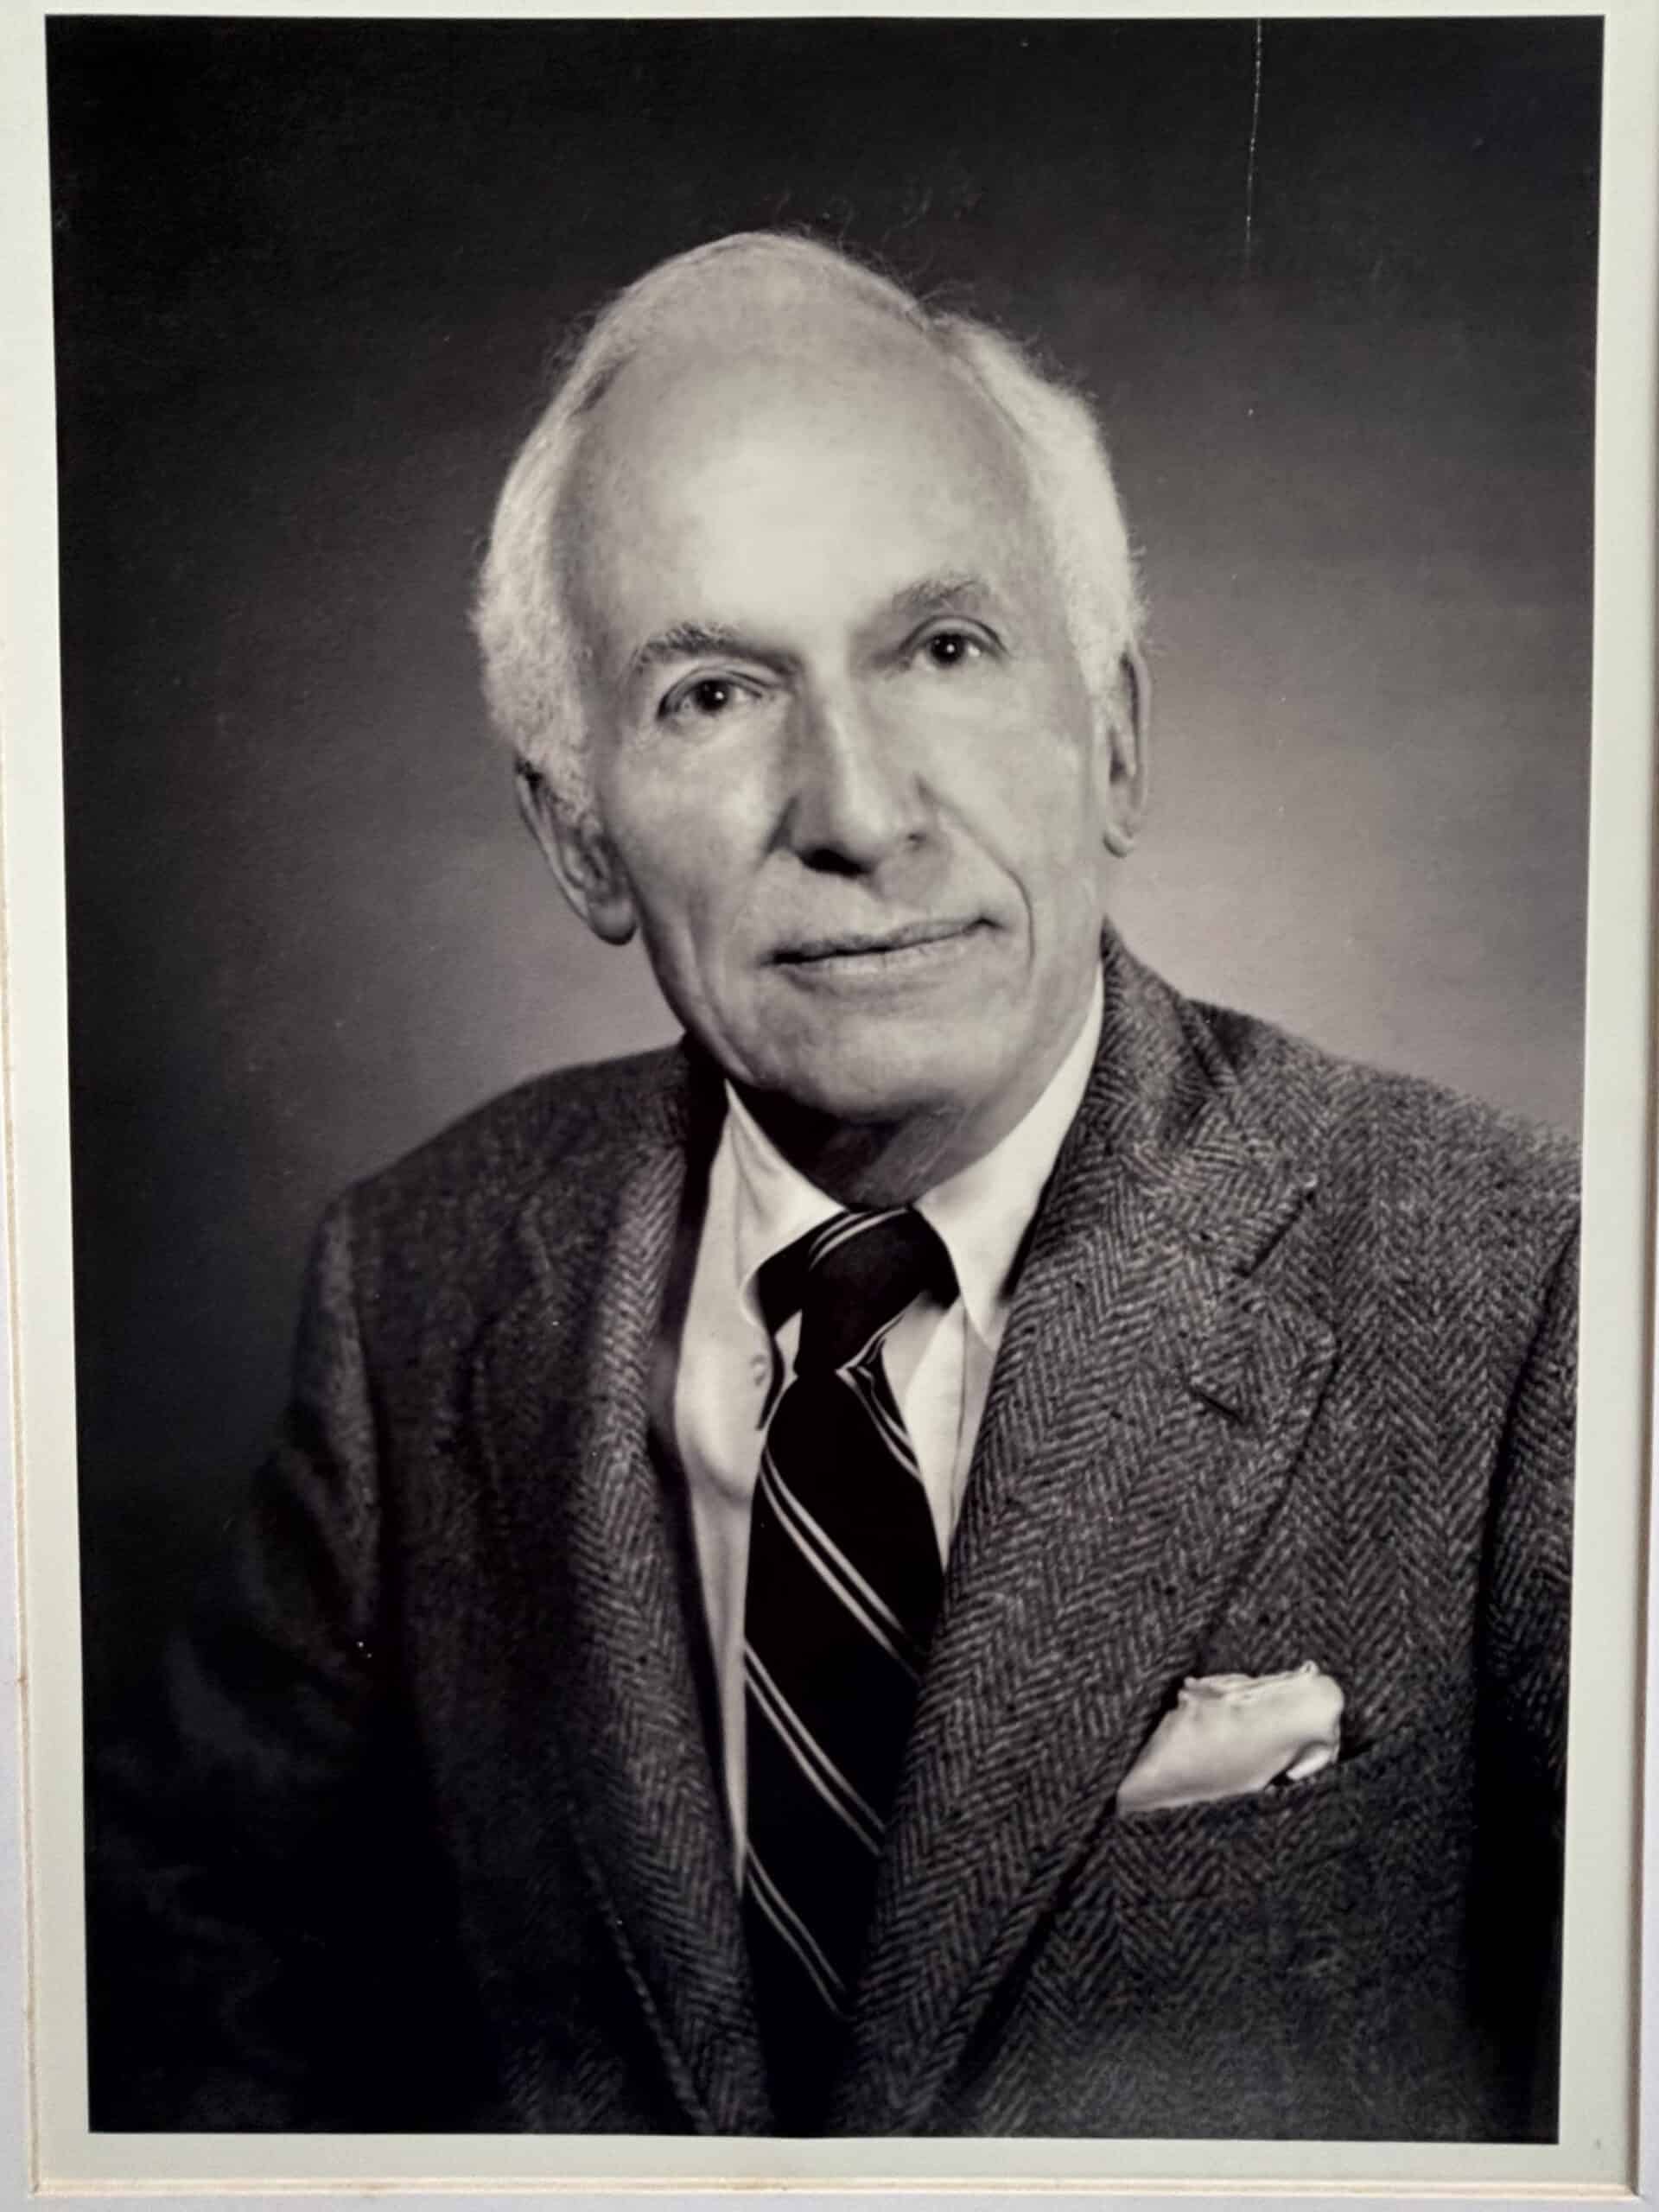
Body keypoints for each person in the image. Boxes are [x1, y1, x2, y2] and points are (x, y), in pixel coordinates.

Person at [91, 231, 1577, 2140]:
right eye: (714, 694)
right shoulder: (418, 1280)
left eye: (944, 650)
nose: (860, 814)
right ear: (578, 837)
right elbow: (178, 1970)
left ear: (1115, 741)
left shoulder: (1527, 1289)